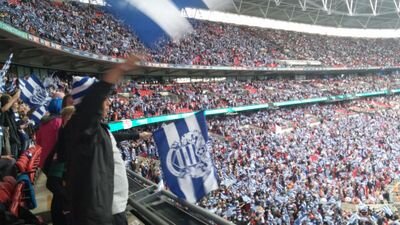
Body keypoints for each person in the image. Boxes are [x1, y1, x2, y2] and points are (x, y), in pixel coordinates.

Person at [63, 56, 152, 225]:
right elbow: (92, 100)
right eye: (105, 99)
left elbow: (113, 136)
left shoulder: (94, 129)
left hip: (111, 208)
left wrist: (137, 135)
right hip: (102, 213)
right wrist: (121, 69)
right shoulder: (82, 126)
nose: (109, 103)